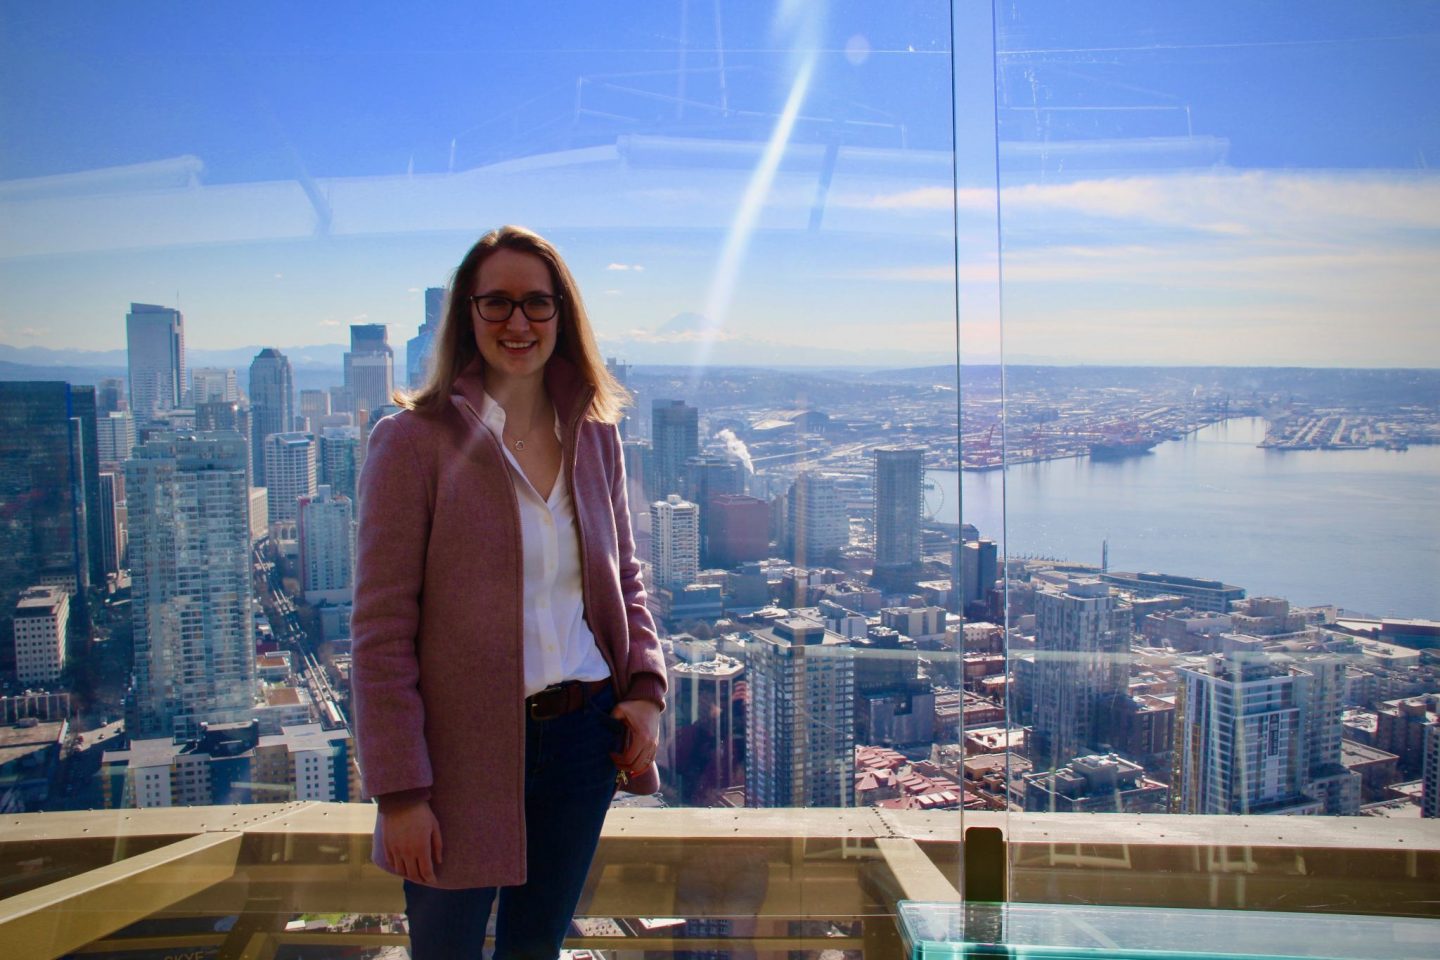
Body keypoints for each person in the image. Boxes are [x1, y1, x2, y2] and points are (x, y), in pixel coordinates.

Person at [351, 225, 667, 959]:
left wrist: (647, 688)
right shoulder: (411, 442)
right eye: (496, 303)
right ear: (466, 313)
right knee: (446, 950)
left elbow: (624, 576)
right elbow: (380, 631)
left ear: (563, 316)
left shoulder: (595, 435)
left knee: (536, 951)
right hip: (459, 752)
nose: (517, 323)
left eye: (537, 304)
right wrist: (399, 796)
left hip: (583, 737)